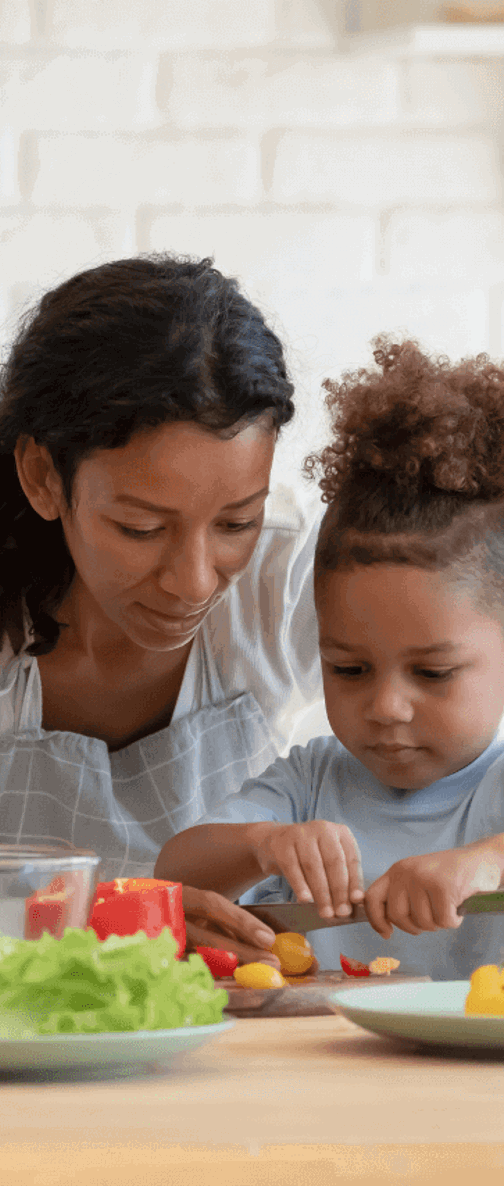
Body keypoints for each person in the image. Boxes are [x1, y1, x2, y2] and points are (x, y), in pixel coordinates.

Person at [0, 255, 322, 964]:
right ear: (43, 477)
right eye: (142, 529)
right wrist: (135, 925)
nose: (195, 583)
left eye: (237, 522)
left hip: (210, 1005)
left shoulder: (294, 573)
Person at [156, 340, 504, 980]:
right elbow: (175, 868)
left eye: (432, 673)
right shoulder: (311, 783)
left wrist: (483, 862)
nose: (387, 707)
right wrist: (265, 844)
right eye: (349, 669)